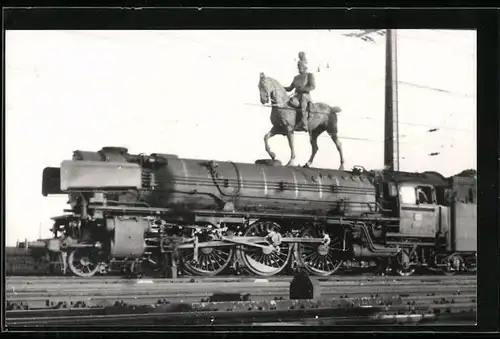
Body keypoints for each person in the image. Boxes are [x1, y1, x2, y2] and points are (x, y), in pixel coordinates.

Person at [284, 52, 316, 131]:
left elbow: (312, 86)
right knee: (288, 102)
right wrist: (281, 88)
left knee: (303, 100)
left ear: (305, 67)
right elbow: (290, 88)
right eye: (298, 66)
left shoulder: (309, 75)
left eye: (300, 66)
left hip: (305, 96)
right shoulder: (296, 77)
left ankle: (304, 123)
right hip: (296, 96)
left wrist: (303, 89)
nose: (299, 68)